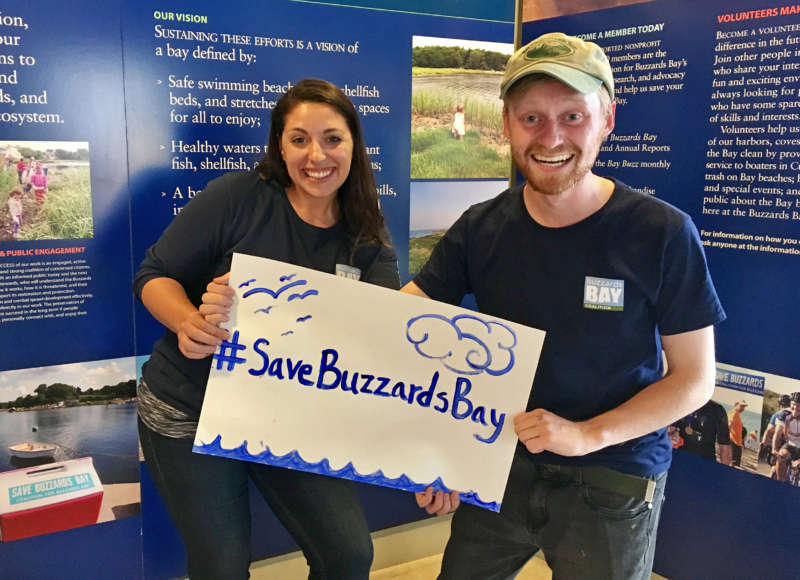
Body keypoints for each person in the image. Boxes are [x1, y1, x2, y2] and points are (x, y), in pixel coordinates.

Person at [404, 32, 725, 579]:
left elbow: (694, 379)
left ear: (607, 120)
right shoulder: (480, 228)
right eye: (531, 118)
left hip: (612, 476)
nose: (551, 136)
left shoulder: (662, 232)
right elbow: (398, 324)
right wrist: (441, 452)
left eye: (573, 116)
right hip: (499, 461)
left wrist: (585, 435)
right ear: (505, 123)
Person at [134, 78, 400, 580]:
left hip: (289, 419)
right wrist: (189, 321)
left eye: (332, 138)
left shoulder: (366, 237)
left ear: (354, 145)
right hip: (191, 407)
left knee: (348, 555)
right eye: (299, 138)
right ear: (280, 144)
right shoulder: (236, 197)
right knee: (222, 567)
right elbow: (153, 275)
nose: (315, 154)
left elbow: (381, 345)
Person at [673, 399, 732, 465]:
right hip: (701, 463)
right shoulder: (717, 408)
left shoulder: (717, 409)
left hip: (683, 461)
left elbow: (725, 449)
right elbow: (725, 450)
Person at [773, 392, 800, 482]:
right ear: (790, 404)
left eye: (799, 406)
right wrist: (775, 450)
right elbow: (777, 434)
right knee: (781, 456)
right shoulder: (784, 414)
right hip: (790, 446)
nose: (795, 408)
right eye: (793, 404)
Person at [728, 400, 747, 467]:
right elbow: (729, 425)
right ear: (736, 404)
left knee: (736, 465)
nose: (743, 408)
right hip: (733, 443)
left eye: (744, 407)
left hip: (737, 443)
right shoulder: (734, 414)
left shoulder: (737, 414)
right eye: (741, 406)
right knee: (733, 464)